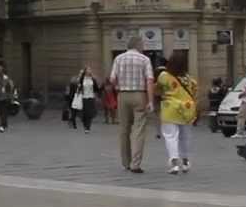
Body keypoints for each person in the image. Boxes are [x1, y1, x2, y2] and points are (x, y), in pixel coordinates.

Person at [109, 36, 155, 173]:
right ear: (138, 45)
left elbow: (112, 79)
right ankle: (136, 164)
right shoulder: (144, 59)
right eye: (142, 45)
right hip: (139, 95)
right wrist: (151, 100)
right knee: (139, 129)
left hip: (122, 95)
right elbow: (150, 80)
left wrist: (118, 86)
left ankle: (125, 162)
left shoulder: (118, 58)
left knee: (124, 129)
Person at [156, 51, 198, 174]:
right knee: (185, 137)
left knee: (170, 137)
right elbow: (194, 93)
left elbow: (157, 90)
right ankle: (185, 161)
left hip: (170, 109)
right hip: (187, 109)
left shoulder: (164, 76)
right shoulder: (189, 79)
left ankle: (174, 163)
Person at [76, 66, 99, 134]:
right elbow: (78, 88)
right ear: (85, 71)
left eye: (90, 70)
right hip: (83, 98)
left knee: (90, 113)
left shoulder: (93, 79)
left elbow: (96, 88)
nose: (89, 71)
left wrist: (97, 95)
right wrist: (78, 88)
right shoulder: (82, 79)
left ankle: (87, 127)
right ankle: (85, 125)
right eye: (88, 70)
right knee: (84, 113)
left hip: (91, 97)